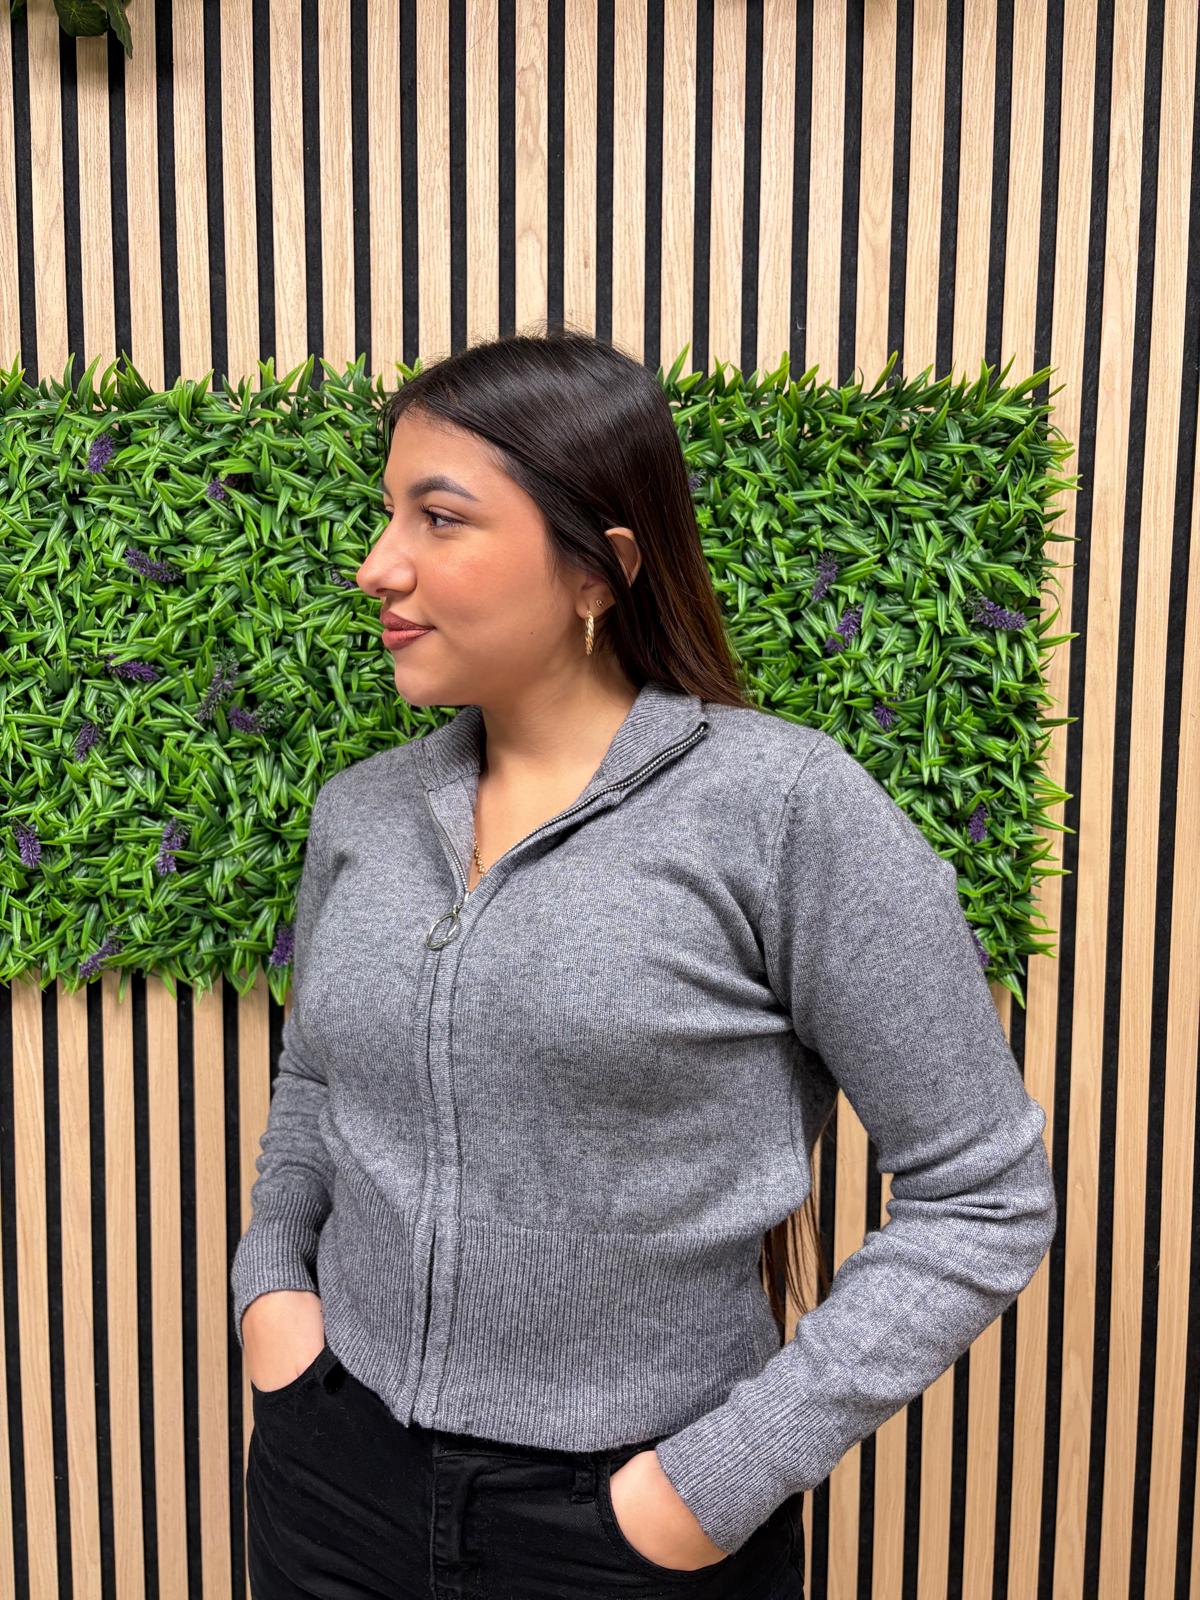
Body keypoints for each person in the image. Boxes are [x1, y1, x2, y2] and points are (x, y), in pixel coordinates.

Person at [232, 329, 1057, 1598]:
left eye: (439, 518)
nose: (377, 565)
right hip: (333, 1480)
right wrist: (273, 1292)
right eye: (388, 513)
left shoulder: (783, 811)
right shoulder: (364, 811)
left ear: (599, 570)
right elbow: (317, 1081)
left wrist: (708, 1484)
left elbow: (985, 1193)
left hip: (625, 1530)